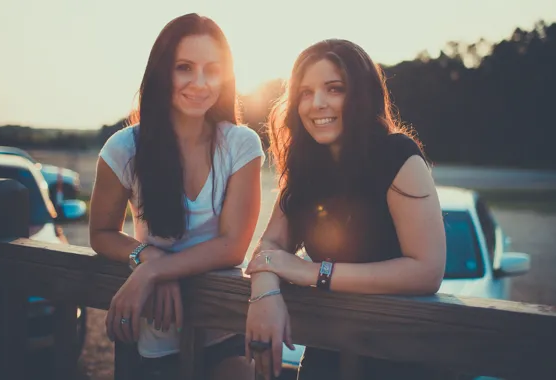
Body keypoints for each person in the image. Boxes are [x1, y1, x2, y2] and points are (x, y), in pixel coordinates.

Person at [244, 39, 447, 380]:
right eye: (305, 93)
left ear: (361, 95)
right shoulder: (304, 165)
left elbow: (427, 271)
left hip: (400, 358)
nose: (316, 104)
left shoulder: (398, 156)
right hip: (329, 355)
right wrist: (265, 292)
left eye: (333, 89)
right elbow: (270, 248)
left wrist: (314, 273)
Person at [89, 13, 264, 380]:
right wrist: (147, 257)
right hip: (150, 338)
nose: (200, 83)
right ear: (162, 72)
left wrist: (155, 270)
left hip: (224, 328)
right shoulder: (124, 148)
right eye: (184, 67)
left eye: (212, 70)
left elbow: (233, 246)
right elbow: (101, 232)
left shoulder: (240, 145)